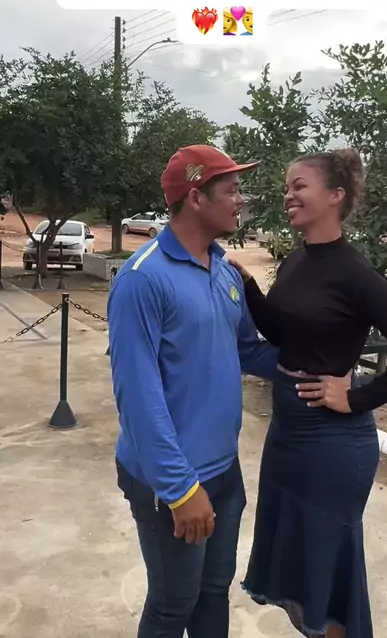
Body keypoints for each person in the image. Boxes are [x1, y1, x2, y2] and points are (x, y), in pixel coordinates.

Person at [230, 148, 387, 638]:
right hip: (287, 431)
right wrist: (250, 288)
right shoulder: (297, 259)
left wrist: (357, 396)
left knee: (328, 572)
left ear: (335, 195)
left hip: (332, 443)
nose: (288, 195)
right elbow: (283, 334)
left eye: (299, 186)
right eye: (287, 187)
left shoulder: (355, 273)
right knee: (300, 564)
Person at [107, 144, 279, 638]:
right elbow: (138, 399)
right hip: (172, 481)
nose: (241, 200)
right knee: (172, 605)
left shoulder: (223, 270)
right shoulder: (143, 280)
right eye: (232, 190)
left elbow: (247, 351)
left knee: (213, 592)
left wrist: (316, 366)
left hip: (224, 471)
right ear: (197, 197)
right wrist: (181, 491)